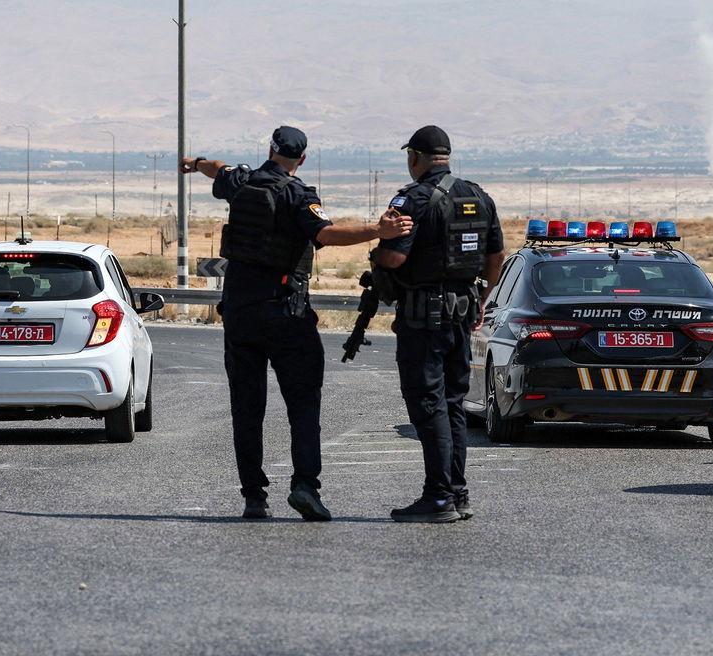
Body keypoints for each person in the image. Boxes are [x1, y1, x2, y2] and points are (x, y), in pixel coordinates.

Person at [180, 126, 412, 522]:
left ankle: (254, 496)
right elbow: (327, 233)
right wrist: (378, 230)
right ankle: (305, 486)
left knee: (247, 408)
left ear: (270, 150)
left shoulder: (243, 180)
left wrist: (196, 163)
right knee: (304, 406)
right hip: (286, 314)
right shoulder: (299, 194)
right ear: (301, 159)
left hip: (240, 313)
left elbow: (218, 168)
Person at [372, 125, 505, 523]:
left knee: (428, 406)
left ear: (414, 157)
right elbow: (495, 256)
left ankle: (439, 497)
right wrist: (480, 297)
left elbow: (394, 259)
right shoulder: (477, 196)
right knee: (452, 405)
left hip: (423, 318)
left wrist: (377, 247)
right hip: (462, 313)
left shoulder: (412, 199)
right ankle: (457, 493)